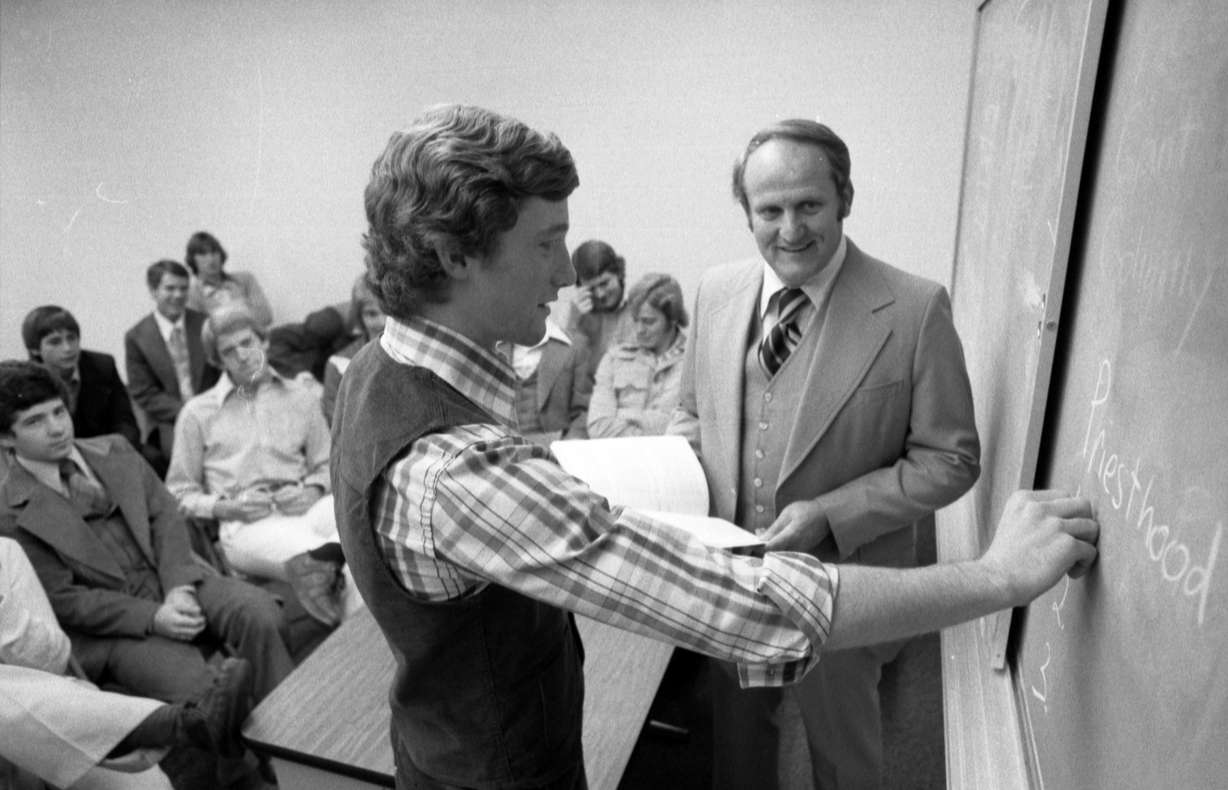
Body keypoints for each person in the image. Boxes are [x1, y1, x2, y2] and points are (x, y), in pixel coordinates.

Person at [330, 103, 1098, 790]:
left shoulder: (381, 368)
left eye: (809, 204)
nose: (569, 272)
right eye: (548, 243)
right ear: (455, 254)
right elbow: (744, 602)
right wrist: (999, 577)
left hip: (459, 741)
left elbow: (947, 458)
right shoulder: (450, 472)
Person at [668, 119, 982, 789]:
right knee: (740, 757)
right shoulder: (716, 292)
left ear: (845, 197)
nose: (790, 229)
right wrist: (674, 482)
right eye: (769, 210)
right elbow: (691, 414)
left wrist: (830, 512)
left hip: (848, 587)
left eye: (808, 205)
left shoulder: (914, 308)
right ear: (747, 212)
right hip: (733, 582)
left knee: (847, 765)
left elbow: (950, 458)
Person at [0, 359, 293, 708]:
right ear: (5, 438)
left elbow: (166, 520)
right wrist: (152, 617)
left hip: (175, 579)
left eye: (58, 412)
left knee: (260, 613)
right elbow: (65, 599)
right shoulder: (7, 511)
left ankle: (292, 733)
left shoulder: (116, 449)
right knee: (203, 689)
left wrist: (178, 589)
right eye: (35, 421)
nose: (57, 428)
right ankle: (244, 757)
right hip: (115, 625)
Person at [1, 536, 252, 790]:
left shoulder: (6, 554)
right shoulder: (17, 512)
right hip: (84, 681)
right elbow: (71, 601)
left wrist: (3, 612)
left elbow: (51, 662)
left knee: (151, 786)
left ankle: (175, 728)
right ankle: (173, 725)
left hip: (53, 722)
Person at [167, 306, 360, 626]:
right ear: (217, 360)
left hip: (306, 504)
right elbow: (177, 492)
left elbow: (328, 463)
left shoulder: (301, 397)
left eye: (247, 342)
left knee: (364, 533)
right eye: (229, 351)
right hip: (247, 524)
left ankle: (365, 649)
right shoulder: (196, 414)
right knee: (326, 560)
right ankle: (360, 656)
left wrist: (313, 489)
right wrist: (225, 508)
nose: (242, 356)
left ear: (264, 341)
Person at [124, 259, 222, 476]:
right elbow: (144, 392)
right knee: (186, 466)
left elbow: (222, 370)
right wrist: (188, 412)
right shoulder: (137, 337)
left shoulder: (206, 323)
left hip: (216, 411)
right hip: (171, 419)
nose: (178, 295)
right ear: (153, 291)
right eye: (170, 288)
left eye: (183, 288)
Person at [21, 305, 140, 451]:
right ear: (35, 349)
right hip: (55, 454)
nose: (68, 348)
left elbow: (125, 422)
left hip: (104, 449)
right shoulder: (26, 381)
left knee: (153, 458)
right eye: (55, 342)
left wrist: (115, 451)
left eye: (72, 338)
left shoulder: (102, 365)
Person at [587, 273, 688, 438]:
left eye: (648, 321)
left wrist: (624, 414)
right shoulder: (614, 359)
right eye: (635, 320)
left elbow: (686, 430)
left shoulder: (693, 364)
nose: (639, 329)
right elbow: (599, 427)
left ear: (673, 319)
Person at [500, 315, 592, 446]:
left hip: (554, 451)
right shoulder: (495, 345)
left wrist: (566, 448)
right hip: (501, 450)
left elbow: (584, 412)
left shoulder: (574, 345)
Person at [552, 239, 635, 380]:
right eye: (591, 288)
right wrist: (572, 323)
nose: (600, 294)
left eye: (604, 283)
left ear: (619, 273)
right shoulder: (572, 313)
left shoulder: (641, 307)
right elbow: (552, 372)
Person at [321, 274, 388, 425]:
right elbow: (336, 426)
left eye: (389, 312)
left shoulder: (414, 355)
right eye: (372, 314)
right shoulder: (338, 364)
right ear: (359, 317)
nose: (382, 322)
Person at [184, 231, 274, 328]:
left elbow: (266, 316)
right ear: (192, 259)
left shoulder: (245, 279)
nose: (211, 259)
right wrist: (243, 310)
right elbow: (203, 332)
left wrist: (221, 318)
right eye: (203, 254)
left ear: (221, 255)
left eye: (214, 252)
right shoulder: (190, 293)